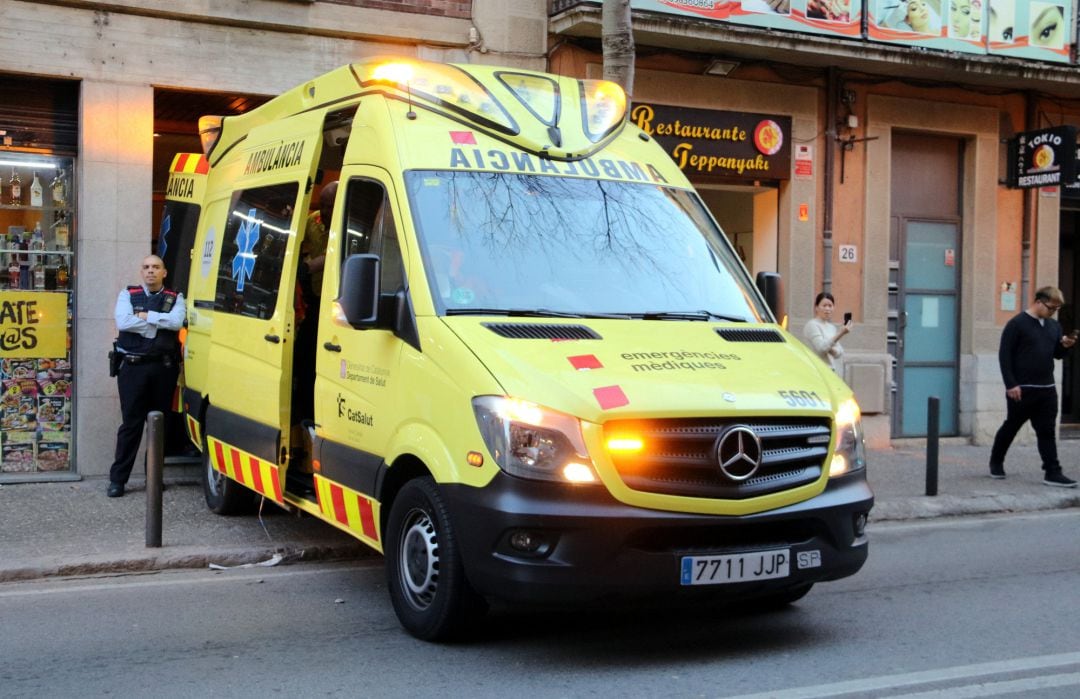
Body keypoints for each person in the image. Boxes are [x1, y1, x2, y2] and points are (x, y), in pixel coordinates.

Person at [107, 255, 186, 497]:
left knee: (159, 425)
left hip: (163, 369)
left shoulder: (176, 298)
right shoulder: (127, 294)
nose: (151, 271)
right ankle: (118, 481)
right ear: (141, 272)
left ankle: (154, 478)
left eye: (156, 267)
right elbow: (123, 321)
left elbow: (175, 323)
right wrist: (155, 327)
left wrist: (144, 317)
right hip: (132, 368)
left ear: (164, 272)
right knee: (131, 425)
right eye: (146, 267)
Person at [988, 286, 1078, 488]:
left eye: (1056, 309)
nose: (1053, 312)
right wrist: (1011, 384)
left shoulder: (1054, 326)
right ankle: (996, 462)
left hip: (1047, 388)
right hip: (1022, 389)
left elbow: (1056, 354)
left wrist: (1065, 346)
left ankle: (1052, 472)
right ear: (1039, 301)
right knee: (1011, 427)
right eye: (1051, 307)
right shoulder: (1017, 324)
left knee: (1046, 431)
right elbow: (1005, 356)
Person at [803, 291, 852, 373]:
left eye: (830, 306)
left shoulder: (831, 327)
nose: (827, 309)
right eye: (824, 305)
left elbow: (839, 353)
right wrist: (841, 333)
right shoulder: (812, 325)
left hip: (830, 371)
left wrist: (829, 348)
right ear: (816, 307)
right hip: (816, 370)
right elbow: (821, 349)